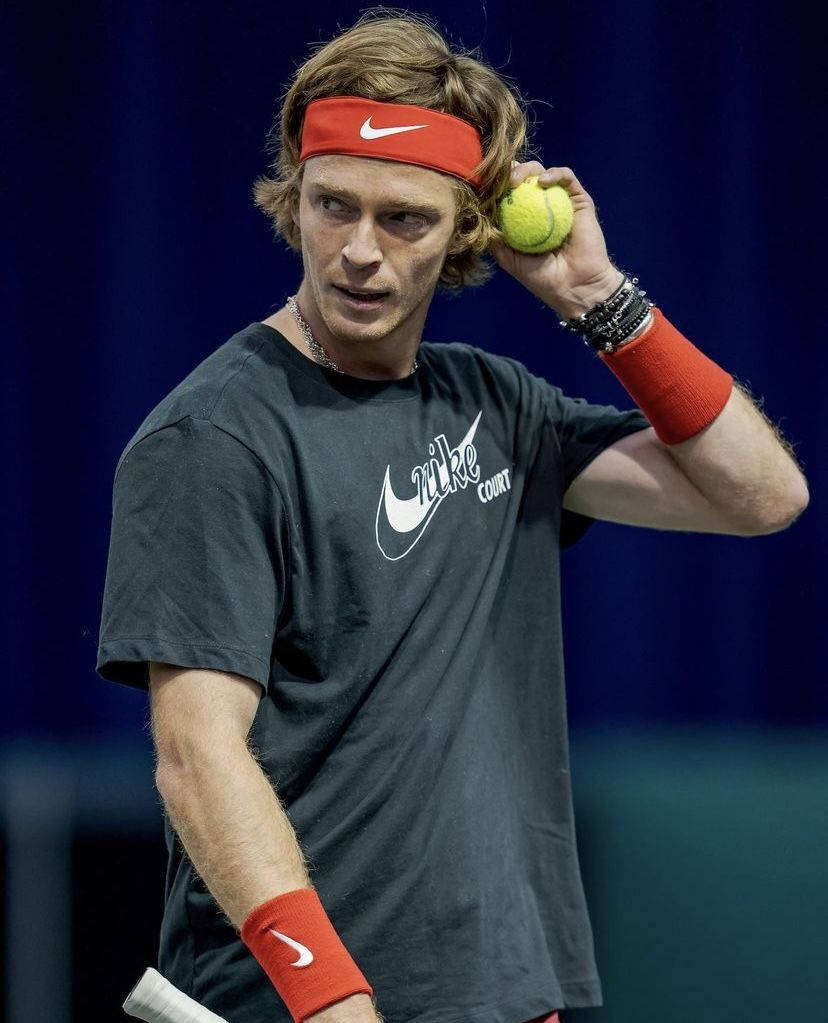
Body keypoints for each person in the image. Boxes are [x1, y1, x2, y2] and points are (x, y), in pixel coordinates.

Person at [95, 10, 808, 1023]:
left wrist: (598, 295)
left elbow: (761, 495)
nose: (359, 254)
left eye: (406, 220)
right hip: (301, 1006)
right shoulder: (213, 437)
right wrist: (329, 997)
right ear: (294, 198)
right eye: (333, 206)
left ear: (469, 231)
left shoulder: (498, 408)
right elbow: (198, 757)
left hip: (507, 993)